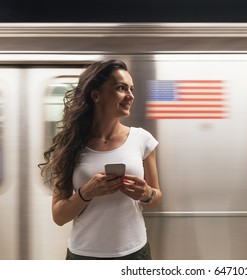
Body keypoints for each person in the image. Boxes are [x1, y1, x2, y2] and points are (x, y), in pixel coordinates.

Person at [39, 60, 162, 260]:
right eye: (121, 88)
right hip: (84, 256)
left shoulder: (143, 139)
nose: (130, 96)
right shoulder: (70, 145)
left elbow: (156, 198)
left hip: (134, 253)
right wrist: (87, 192)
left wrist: (147, 193)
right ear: (96, 95)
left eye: (131, 89)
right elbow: (59, 216)